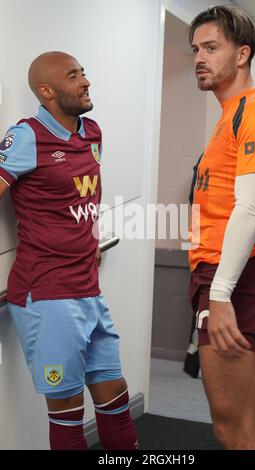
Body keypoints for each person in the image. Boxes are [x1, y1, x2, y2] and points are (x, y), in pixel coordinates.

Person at [0, 51, 137, 450]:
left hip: (88, 288)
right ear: (46, 91)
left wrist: (90, 236)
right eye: (73, 75)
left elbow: (89, 189)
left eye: (84, 72)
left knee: (115, 397)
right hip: (47, 293)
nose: (85, 81)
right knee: (69, 411)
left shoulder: (91, 130)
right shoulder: (26, 135)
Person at [187, 5, 255, 450]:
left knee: (232, 426)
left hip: (232, 278)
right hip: (218, 275)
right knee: (244, 418)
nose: (199, 58)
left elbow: (249, 209)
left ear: (243, 54)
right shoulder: (230, 114)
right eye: (195, 49)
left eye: (211, 47)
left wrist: (221, 293)